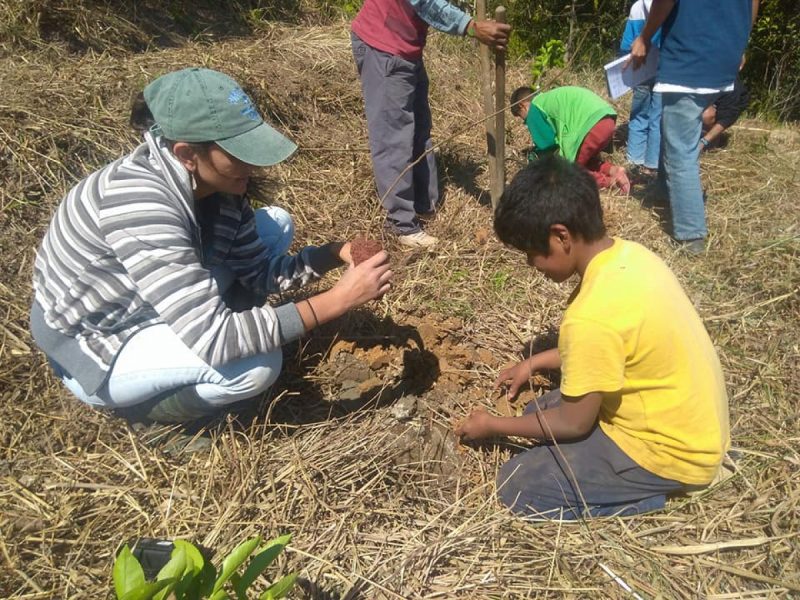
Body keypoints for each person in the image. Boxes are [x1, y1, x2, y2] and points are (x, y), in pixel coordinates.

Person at [30, 67, 393, 424]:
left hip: (146, 298)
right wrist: (339, 299)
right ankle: (147, 415)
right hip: (99, 339)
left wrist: (332, 253)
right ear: (187, 154)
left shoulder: (216, 187)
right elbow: (217, 339)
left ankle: (210, 323)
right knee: (255, 367)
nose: (252, 164)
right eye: (238, 152)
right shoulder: (139, 203)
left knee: (277, 222)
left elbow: (260, 273)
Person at [456, 155, 729, 519]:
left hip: (672, 453)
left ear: (561, 236)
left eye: (530, 253)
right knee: (536, 410)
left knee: (518, 483)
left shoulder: (591, 314)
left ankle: (646, 496)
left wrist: (492, 425)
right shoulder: (632, 256)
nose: (529, 264)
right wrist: (534, 362)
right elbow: (608, 346)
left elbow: (574, 423)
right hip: (692, 424)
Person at [351, 0, 511, 248]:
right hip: (383, 47)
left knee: (419, 130)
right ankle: (401, 223)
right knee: (393, 138)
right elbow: (424, 2)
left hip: (407, 50)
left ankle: (425, 205)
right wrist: (471, 26)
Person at [628, 0, 758, 254]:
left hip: (689, 61)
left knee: (681, 152)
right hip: (723, 58)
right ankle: (664, 190)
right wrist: (740, 43)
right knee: (672, 129)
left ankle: (691, 235)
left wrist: (644, 36)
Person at [510, 86, 631, 194]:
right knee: (581, 159)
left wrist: (537, 159)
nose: (525, 122)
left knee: (566, 173)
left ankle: (612, 184)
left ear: (522, 106)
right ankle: (613, 170)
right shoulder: (548, 99)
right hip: (606, 118)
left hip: (590, 126)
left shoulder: (534, 107)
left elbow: (547, 144)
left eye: (521, 117)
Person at [619, 0, 662, 173]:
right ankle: (652, 163)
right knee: (657, 118)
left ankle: (634, 158)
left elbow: (626, 43)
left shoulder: (637, 7)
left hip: (640, 69)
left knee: (639, 114)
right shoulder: (672, 6)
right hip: (663, 70)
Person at [701, 75, 750, 151]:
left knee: (707, 115)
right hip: (704, 98)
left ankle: (712, 141)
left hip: (727, 105)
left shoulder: (731, 83)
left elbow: (727, 117)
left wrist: (703, 142)